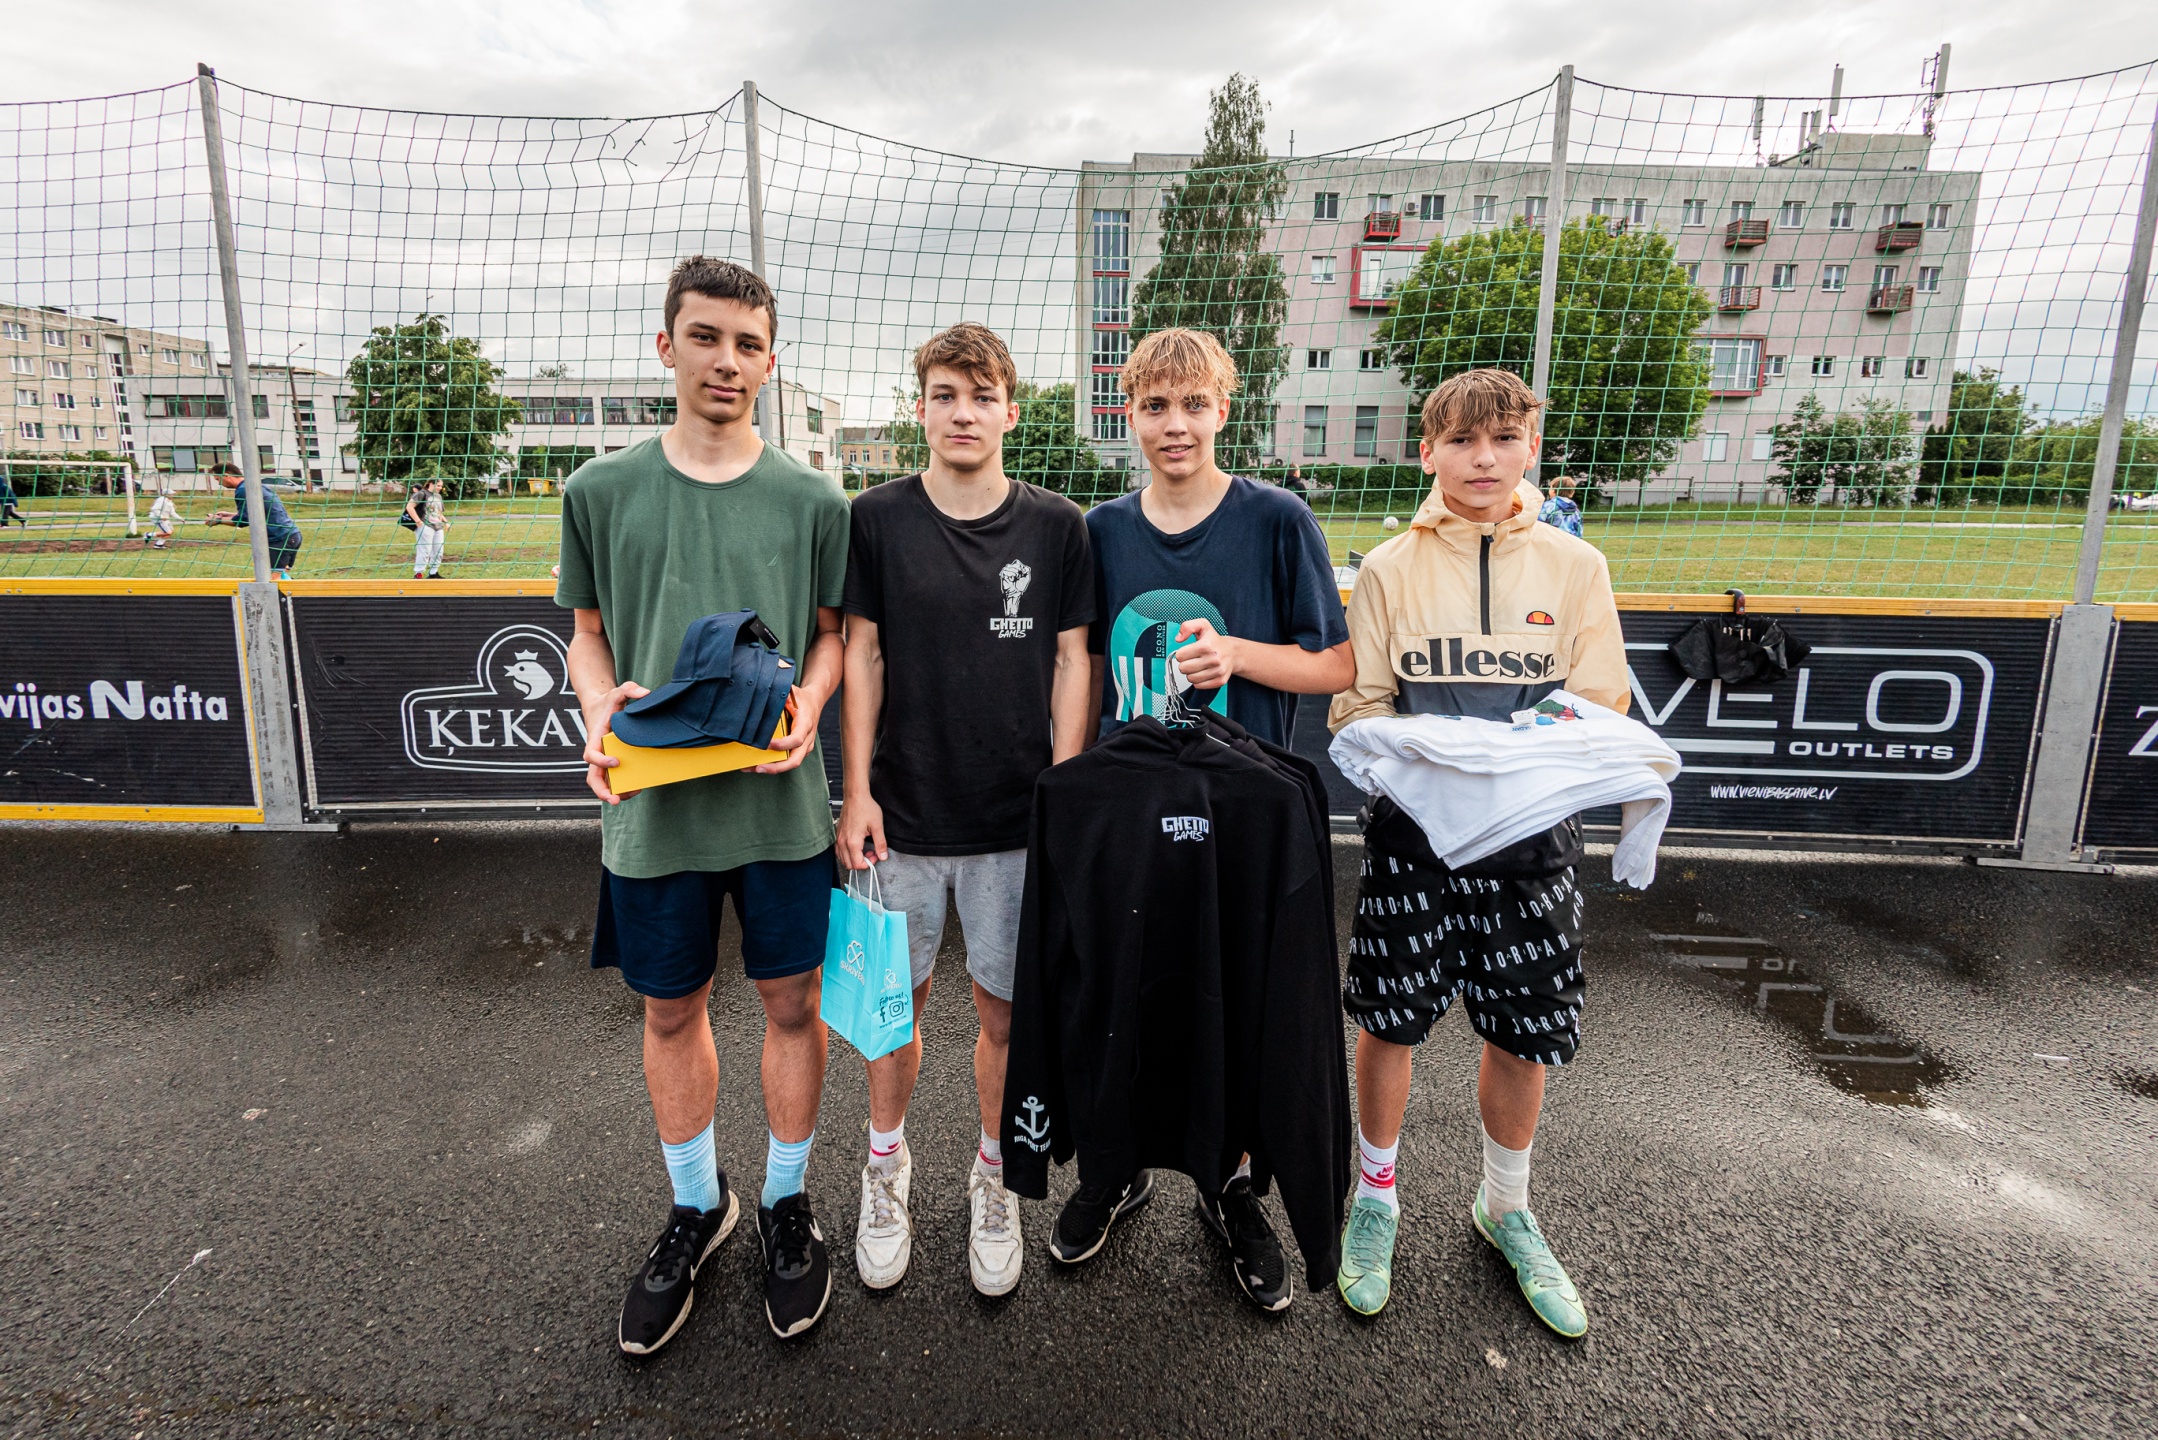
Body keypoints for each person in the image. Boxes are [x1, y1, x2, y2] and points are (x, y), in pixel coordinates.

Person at [557, 255, 850, 1350]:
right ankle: (697, 1206)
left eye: (747, 343)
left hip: (778, 807)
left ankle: (784, 1201)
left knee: (791, 1004)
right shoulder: (599, 491)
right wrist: (598, 710)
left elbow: (831, 636)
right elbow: (587, 637)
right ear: (666, 345)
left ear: (771, 362)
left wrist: (812, 701)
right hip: (655, 809)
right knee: (670, 1010)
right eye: (706, 337)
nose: (726, 360)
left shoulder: (815, 500)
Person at [1325, 368, 1629, 1337]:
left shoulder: (1575, 566)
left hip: (1533, 852)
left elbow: (1602, 703)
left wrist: (1518, 758)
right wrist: (1429, 760)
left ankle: (1506, 1205)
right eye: (1461, 441)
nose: (1483, 459)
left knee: (1521, 1034)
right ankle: (1375, 1197)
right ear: (1428, 453)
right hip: (1413, 849)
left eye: (1503, 439)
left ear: (1531, 447)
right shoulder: (1388, 568)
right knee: (1390, 1025)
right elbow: (1358, 710)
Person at [1074, 326, 1353, 1311]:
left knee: (1232, 1007)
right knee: (1125, 994)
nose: (1175, 425)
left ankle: (1231, 1187)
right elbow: (1082, 668)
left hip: (1239, 820)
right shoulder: (1102, 530)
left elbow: (1336, 665)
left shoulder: (1277, 519)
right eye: (1155, 406)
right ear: (1131, 415)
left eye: (1194, 405)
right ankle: (1116, 1168)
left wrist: (1237, 655)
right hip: (1130, 816)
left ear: (1224, 411)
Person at [837, 321, 1093, 1297]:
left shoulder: (1057, 527)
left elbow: (1073, 661)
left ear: (1010, 412)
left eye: (981, 396)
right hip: (900, 818)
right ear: (921, 409)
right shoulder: (876, 518)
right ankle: (885, 1166)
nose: (963, 412)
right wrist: (857, 791)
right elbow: (861, 653)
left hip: (1012, 825)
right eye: (945, 394)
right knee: (889, 1013)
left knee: (1005, 1012)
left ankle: (994, 1175)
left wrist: (1061, 798)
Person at [205, 462, 303, 578]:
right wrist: (229, 515)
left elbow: (243, 521)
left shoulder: (243, 490)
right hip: (291, 534)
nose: (220, 484)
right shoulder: (256, 485)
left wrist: (218, 521)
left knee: (271, 579)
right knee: (281, 575)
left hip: (279, 538)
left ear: (226, 475)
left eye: (218, 479)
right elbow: (258, 513)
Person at [407, 477, 448, 578]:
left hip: (438, 527)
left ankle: (433, 573)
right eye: (438, 485)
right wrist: (418, 521)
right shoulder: (422, 493)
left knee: (438, 551)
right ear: (431, 484)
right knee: (424, 550)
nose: (440, 488)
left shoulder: (438, 496)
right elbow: (409, 507)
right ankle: (419, 574)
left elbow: (438, 512)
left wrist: (446, 522)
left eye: (441, 486)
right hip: (425, 525)